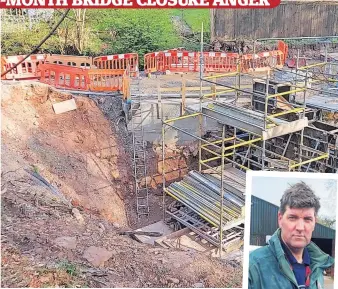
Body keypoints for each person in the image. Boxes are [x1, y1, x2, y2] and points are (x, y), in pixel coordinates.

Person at [249, 182, 334, 289]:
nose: (300, 227)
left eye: (307, 219)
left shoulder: (317, 267)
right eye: (293, 218)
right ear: (280, 219)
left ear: (314, 223)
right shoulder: (253, 267)